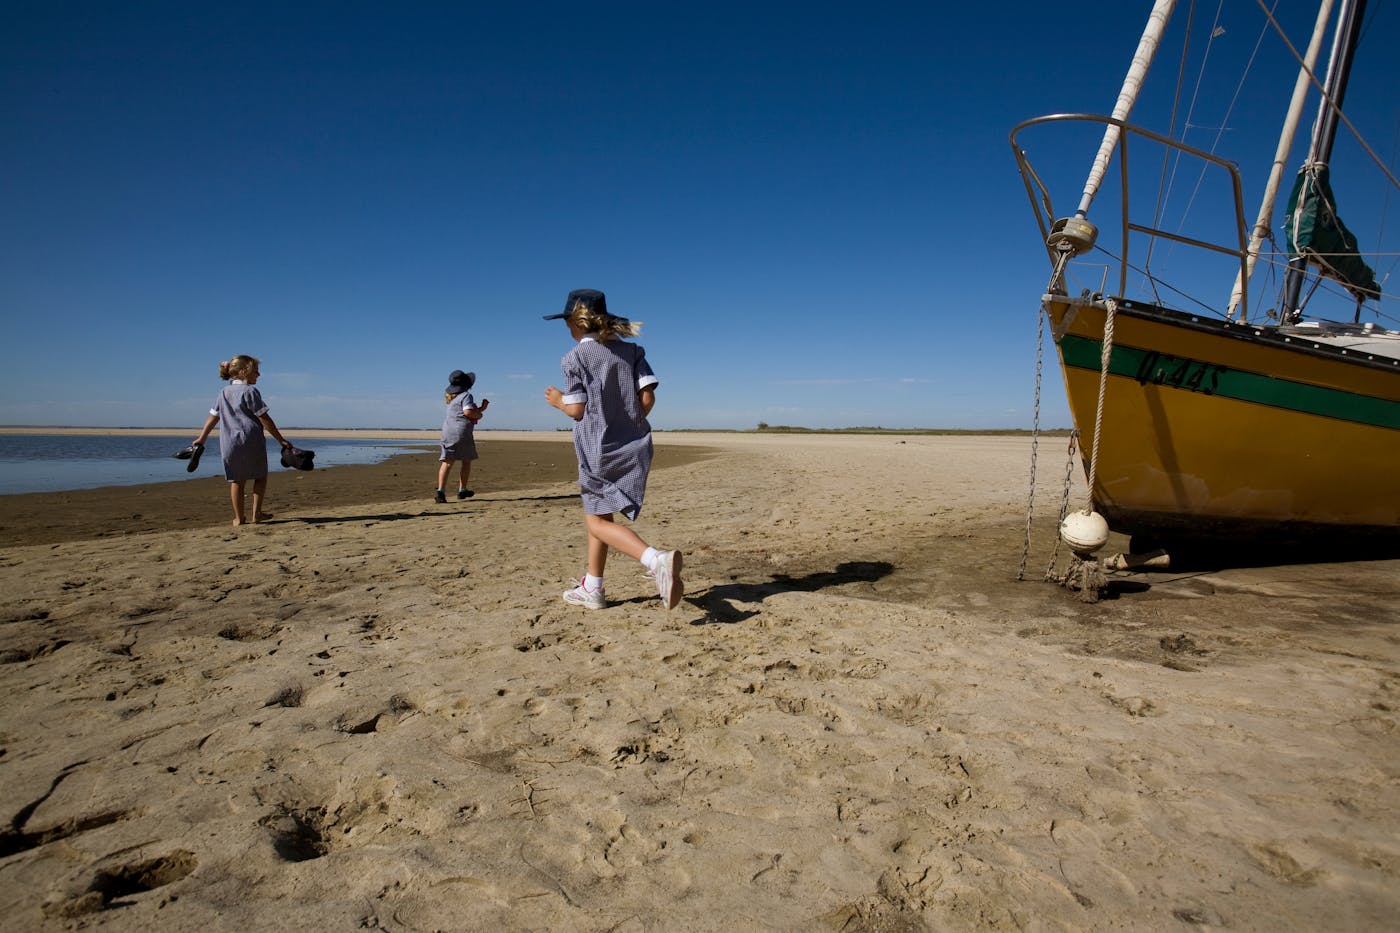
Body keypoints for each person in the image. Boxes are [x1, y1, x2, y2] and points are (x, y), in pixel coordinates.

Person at [543, 288, 684, 610]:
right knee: (600, 513)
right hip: (635, 445)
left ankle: (655, 560)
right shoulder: (632, 352)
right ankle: (593, 587)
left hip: (597, 449)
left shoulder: (574, 358)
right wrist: (627, 422)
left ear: (576, 323)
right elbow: (647, 398)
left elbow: (577, 410)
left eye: (567, 322)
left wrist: (557, 402)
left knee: (595, 521)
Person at [191, 355, 293, 526]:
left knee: (237, 480)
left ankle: (239, 518)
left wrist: (201, 438)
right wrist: (280, 440)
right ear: (244, 372)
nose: (258, 374)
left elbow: (212, 418)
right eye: (256, 371)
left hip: (229, 442)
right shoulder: (250, 391)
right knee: (260, 476)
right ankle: (257, 514)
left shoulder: (224, 392)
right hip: (251, 439)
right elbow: (264, 418)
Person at [436, 369, 488, 503]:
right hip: (461, 432)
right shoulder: (466, 395)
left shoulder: (451, 399)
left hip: (447, 431)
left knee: (447, 462)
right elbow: (468, 412)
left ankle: (440, 491)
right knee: (466, 460)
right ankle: (462, 489)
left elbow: (464, 411)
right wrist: (480, 415)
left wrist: (481, 408)